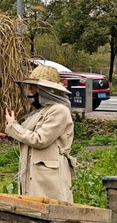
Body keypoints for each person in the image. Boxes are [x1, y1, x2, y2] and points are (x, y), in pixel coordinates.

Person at [5, 64, 75, 202]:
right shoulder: (40, 111)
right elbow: (26, 134)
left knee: (53, 212)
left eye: (34, 87)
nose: (30, 91)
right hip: (34, 173)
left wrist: (14, 127)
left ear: (47, 90)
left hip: (49, 177)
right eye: (29, 87)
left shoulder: (59, 110)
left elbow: (40, 139)